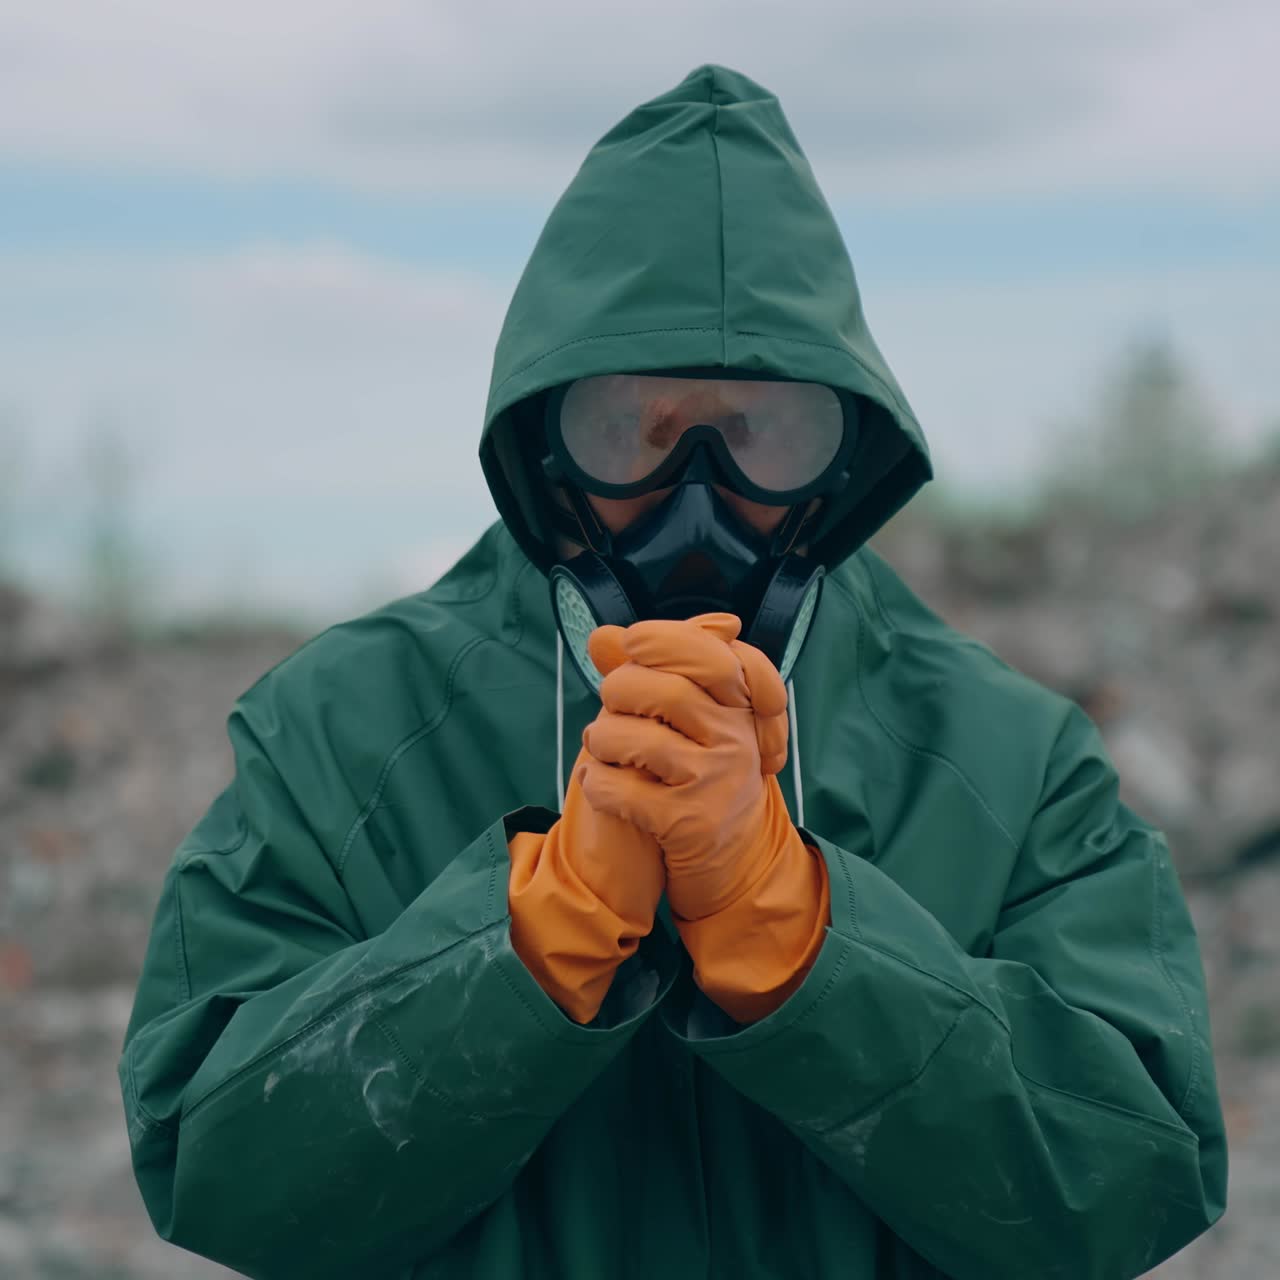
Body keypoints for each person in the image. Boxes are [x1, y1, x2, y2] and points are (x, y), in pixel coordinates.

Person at [119, 64, 1226, 1280]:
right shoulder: (336, 730)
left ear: (843, 451)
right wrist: (530, 934)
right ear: (544, 444)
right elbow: (211, 1163)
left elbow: (1133, 1180)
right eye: (629, 431)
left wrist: (799, 934)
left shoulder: (1010, 759)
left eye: (760, 434)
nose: (697, 494)